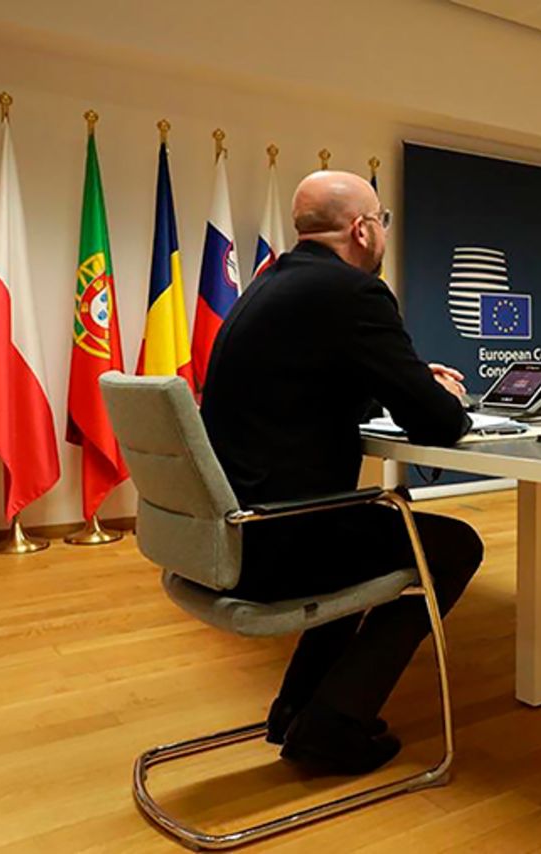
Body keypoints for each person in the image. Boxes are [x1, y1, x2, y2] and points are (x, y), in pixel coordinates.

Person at [200, 170, 483, 775]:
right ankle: (335, 722)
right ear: (362, 229)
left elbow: (308, 386)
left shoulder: (269, 283)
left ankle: (298, 707)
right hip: (279, 540)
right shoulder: (353, 294)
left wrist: (404, 378)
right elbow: (438, 425)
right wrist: (436, 395)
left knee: (366, 531)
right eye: (380, 222)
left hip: (229, 533)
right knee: (454, 546)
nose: (382, 233)